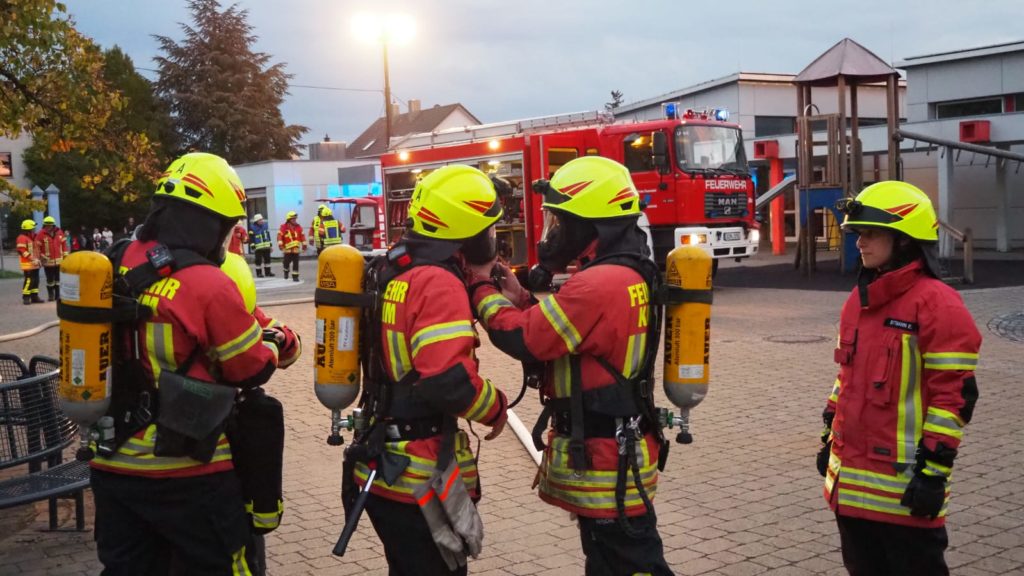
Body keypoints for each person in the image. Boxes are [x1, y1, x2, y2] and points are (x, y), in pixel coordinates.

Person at [88, 152, 301, 576]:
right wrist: (278, 344)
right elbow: (252, 368)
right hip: (188, 469)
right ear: (210, 222)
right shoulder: (207, 282)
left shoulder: (110, 262)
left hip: (111, 463)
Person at [465, 156, 672, 575]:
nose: (553, 233)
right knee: (609, 563)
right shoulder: (624, 272)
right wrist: (521, 296)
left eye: (561, 221)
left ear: (591, 224)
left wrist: (481, 287)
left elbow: (525, 338)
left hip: (606, 457)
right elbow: (568, 331)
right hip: (617, 447)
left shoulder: (597, 283)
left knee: (633, 563)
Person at [348, 164, 508, 575]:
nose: (492, 238)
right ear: (468, 232)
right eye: (488, 229)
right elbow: (447, 382)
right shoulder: (438, 282)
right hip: (419, 476)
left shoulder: (393, 270)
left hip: (384, 465)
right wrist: (496, 407)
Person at [820, 181, 981, 576]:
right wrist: (829, 436)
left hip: (906, 493)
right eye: (858, 233)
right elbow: (847, 378)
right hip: (852, 490)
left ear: (906, 240)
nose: (860, 243)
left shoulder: (938, 303)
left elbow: (954, 398)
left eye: (872, 233)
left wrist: (933, 472)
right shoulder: (858, 302)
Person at [35, 216, 66, 301]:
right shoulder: (40, 234)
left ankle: (58, 295)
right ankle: (51, 295)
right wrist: (41, 256)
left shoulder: (59, 232)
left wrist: (65, 256)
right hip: (48, 262)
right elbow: (36, 247)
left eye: (50, 225)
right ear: (44, 225)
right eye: (47, 225)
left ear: (53, 225)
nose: (48, 227)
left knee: (58, 279)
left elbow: (64, 245)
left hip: (59, 261)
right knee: (50, 280)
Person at [16, 219, 43, 305]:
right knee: (29, 281)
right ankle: (26, 297)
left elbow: (37, 248)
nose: (34, 229)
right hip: (28, 264)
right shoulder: (22, 238)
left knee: (36, 280)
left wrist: (40, 257)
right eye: (33, 227)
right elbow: (21, 250)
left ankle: (34, 296)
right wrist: (32, 258)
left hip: (35, 263)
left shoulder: (33, 236)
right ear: (29, 229)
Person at [276, 211, 305, 282]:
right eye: (293, 219)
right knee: (286, 262)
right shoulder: (283, 227)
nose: (295, 220)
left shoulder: (298, 227)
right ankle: (286, 271)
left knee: (296, 263)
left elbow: (302, 236)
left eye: (295, 218)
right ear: (289, 219)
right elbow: (279, 236)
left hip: (296, 249)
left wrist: (304, 244)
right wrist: (280, 244)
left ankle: (295, 276)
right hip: (287, 249)